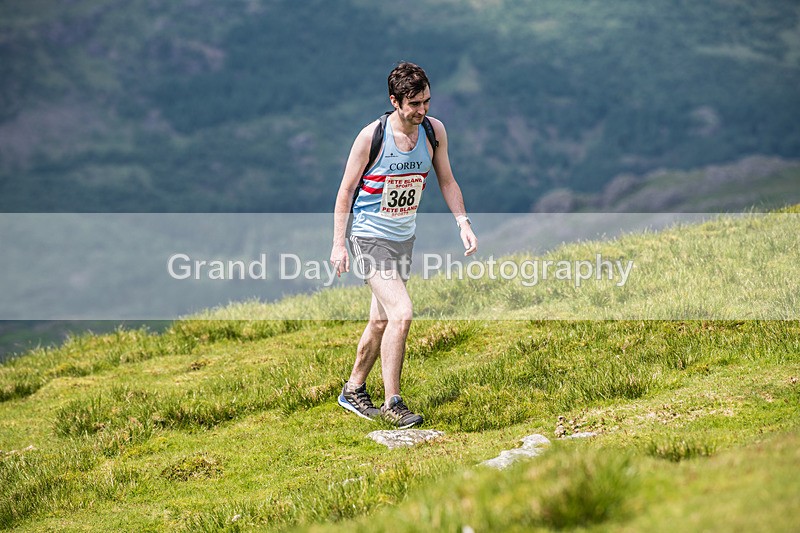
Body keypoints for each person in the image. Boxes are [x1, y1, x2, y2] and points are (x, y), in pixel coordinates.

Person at [330, 62, 477, 428]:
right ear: (395, 101)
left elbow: (447, 180)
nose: (422, 110)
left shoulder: (433, 131)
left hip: (402, 240)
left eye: (426, 101)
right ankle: (393, 402)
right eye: (414, 104)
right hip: (368, 238)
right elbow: (346, 191)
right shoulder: (371, 137)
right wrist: (338, 245)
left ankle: (352, 389)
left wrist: (463, 223)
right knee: (402, 312)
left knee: (380, 319)